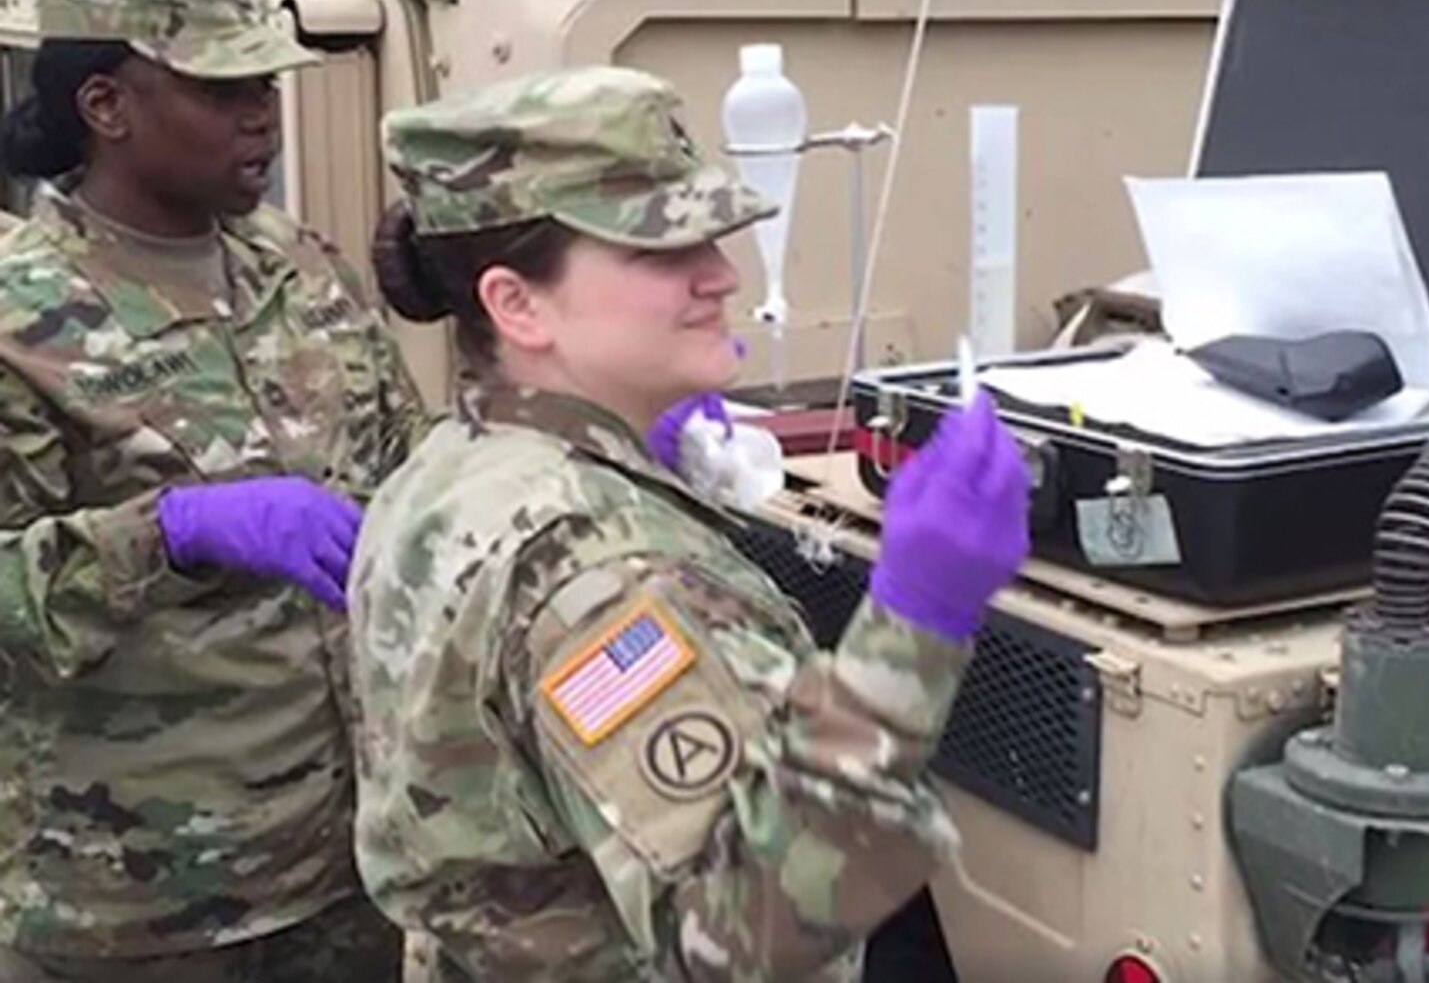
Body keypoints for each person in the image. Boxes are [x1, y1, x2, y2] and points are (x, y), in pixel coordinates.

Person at [349, 64, 1031, 981]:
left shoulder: (449, 468)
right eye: (659, 252)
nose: (720, 275)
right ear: (516, 303)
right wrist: (916, 623)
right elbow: (745, 942)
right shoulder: (596, 566)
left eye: (710, 238)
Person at [0, 0, 427, 982]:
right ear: (105, 106)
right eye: (223, 91)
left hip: (352, 867)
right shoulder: (21, 316)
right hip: (138, 910)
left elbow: (406, 465)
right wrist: (172, 533)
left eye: (267, 88)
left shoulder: (298, 266)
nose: (262, 120)